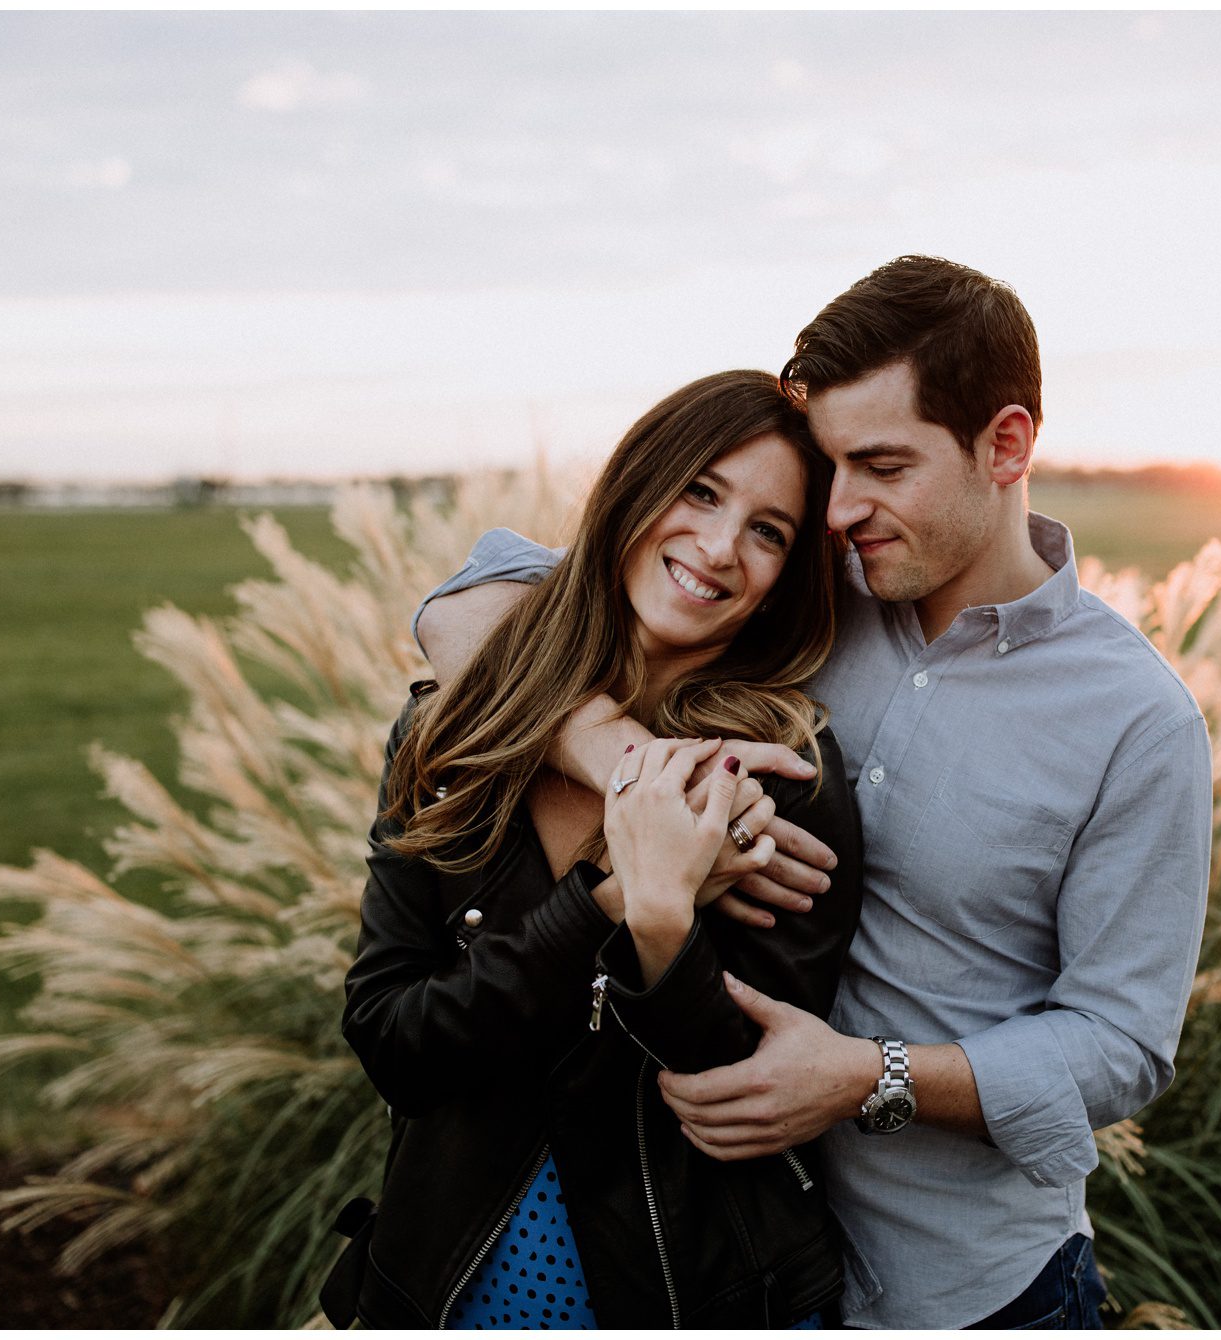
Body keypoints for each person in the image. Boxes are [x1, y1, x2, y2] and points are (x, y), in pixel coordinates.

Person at [416, 257, 1212, 1329]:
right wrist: (626, 763)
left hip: (965, 1286)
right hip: (727, 1258)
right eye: (830, 465)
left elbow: (1121, 1041)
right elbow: (479, 600)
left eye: (880, 465)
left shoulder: (1137, 722)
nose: (839, 508)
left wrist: (866, 1075)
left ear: (1007, 443)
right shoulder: (797, 589)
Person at [320, 370, 864, 1330]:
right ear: (635, 486)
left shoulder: (780, 781)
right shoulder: (450, 737)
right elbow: (394, 1043)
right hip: (445, 1288)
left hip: (689, 1299)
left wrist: (662, 927)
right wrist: (613, 899)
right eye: (700, 491)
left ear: (787, 577)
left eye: (768, 531)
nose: (718, 547)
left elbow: (739, 1099)